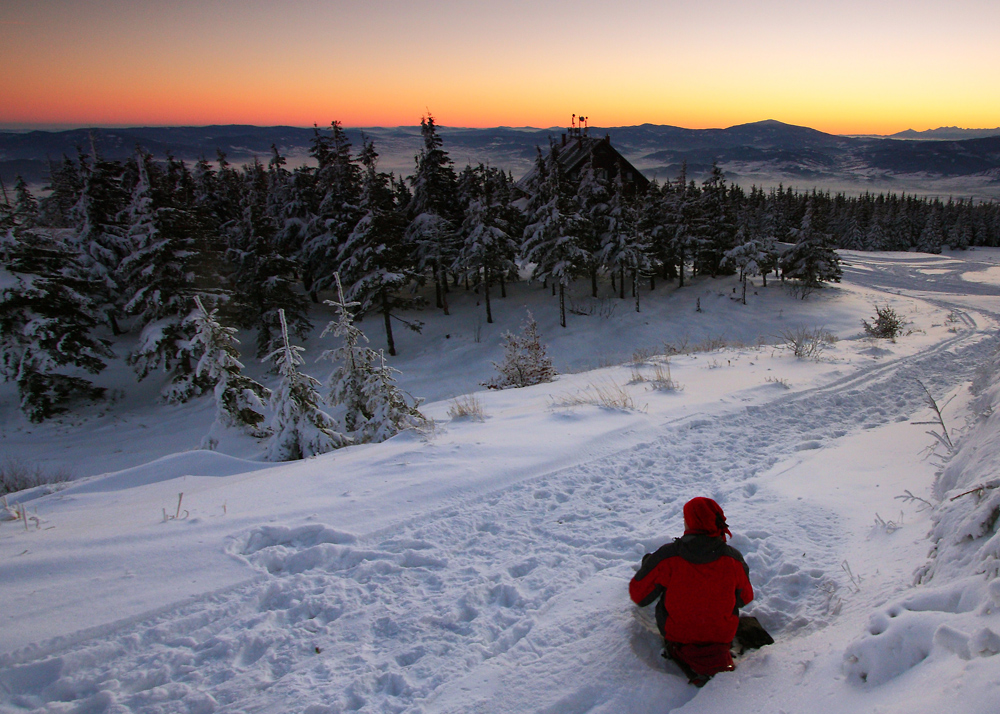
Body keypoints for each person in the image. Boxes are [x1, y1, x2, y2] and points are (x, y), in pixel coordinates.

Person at [629, 497, 754, 686]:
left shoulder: (668, 557)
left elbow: (639, 596)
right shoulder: (733, 559)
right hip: (721, 636)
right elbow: (745, 598)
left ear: (690, 522)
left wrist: (650, 567)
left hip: (678, 635)